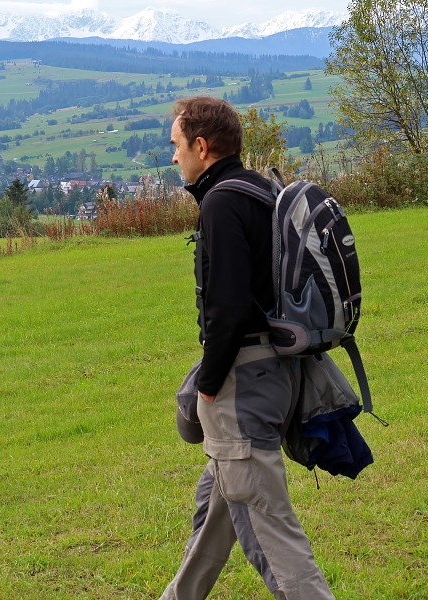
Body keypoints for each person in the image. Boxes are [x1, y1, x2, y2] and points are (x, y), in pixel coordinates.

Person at [159, 96, 335, 600]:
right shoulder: (262, 190)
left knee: (271, 535)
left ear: (201, 145)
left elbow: (229, 308)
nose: (174, 158)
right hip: (279, 376)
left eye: (176, 146)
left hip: (244, 384)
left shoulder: (221, 202)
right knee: (214, 514)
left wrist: (209, 384)